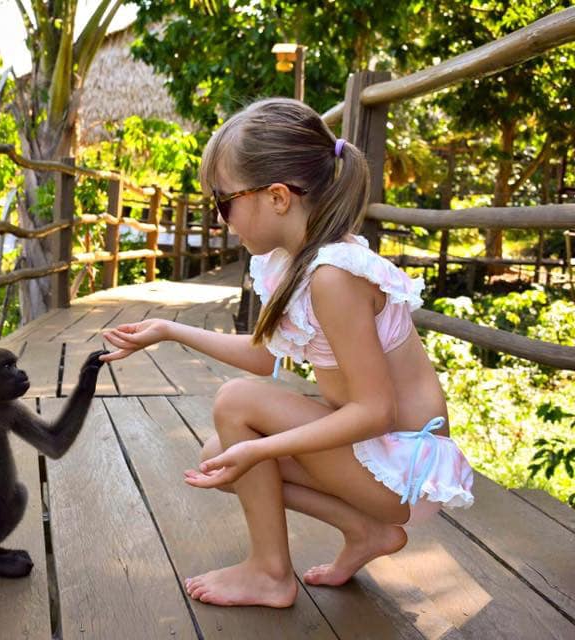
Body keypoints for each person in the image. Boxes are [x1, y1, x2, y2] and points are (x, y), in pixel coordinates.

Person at [99, 98, 474, 608]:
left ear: (276, 197)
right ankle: (363, 531)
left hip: (404, 465)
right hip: (379, 457)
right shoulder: (299, 263)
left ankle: (270, 572)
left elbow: (375, 410)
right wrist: (170, 330)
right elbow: (264, 357)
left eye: (224, 201)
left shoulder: (334, 276)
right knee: (219, 457)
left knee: (237, 407)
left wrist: (264, 447)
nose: (222, 219)